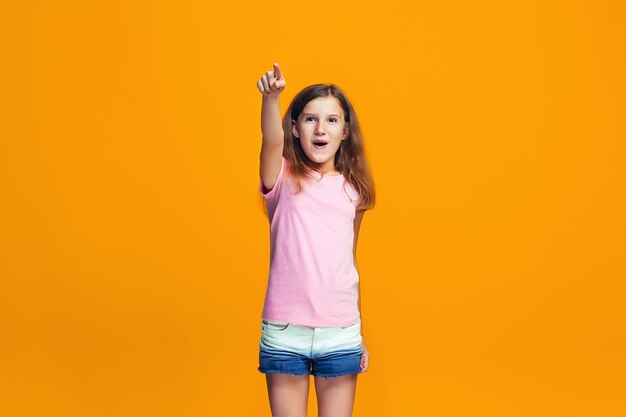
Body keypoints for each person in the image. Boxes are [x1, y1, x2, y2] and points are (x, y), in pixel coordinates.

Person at [256, 62, 376, 417]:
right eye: (309, 119)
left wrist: (360, 329)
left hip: (340, 331)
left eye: (331, 120)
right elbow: (270, 140)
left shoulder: (354, 191)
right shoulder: (280, 177)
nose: (320, 128)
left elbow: (348, 262)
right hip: (285, 330)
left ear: (345, 131)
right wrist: (272, 99)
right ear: (294, 129)